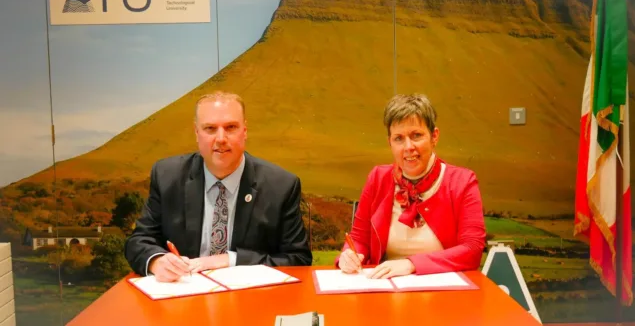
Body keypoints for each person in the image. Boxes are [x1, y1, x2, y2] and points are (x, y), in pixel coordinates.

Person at [125, 91, 312, 282]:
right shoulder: (168, 176)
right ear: (197, 133)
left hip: (250, 300)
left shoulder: (280, 186)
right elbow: (139, 241)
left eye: (231, 127)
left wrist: (231, 260)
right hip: (182, 296)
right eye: (210, 128)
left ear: (245, 131)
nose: (221, 138)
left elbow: (298, 259)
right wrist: (157, 261)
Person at [336, 93, 486, 279]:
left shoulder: (462, 181)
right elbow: (359, 240)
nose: (408, 147)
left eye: (416, 135)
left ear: (434, 137)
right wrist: (349, 255)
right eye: (398, 138)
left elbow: (472, 250)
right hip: (387, 289)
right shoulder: (378, 178)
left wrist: (412, 264)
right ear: (389, 143)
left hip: (446, 290)